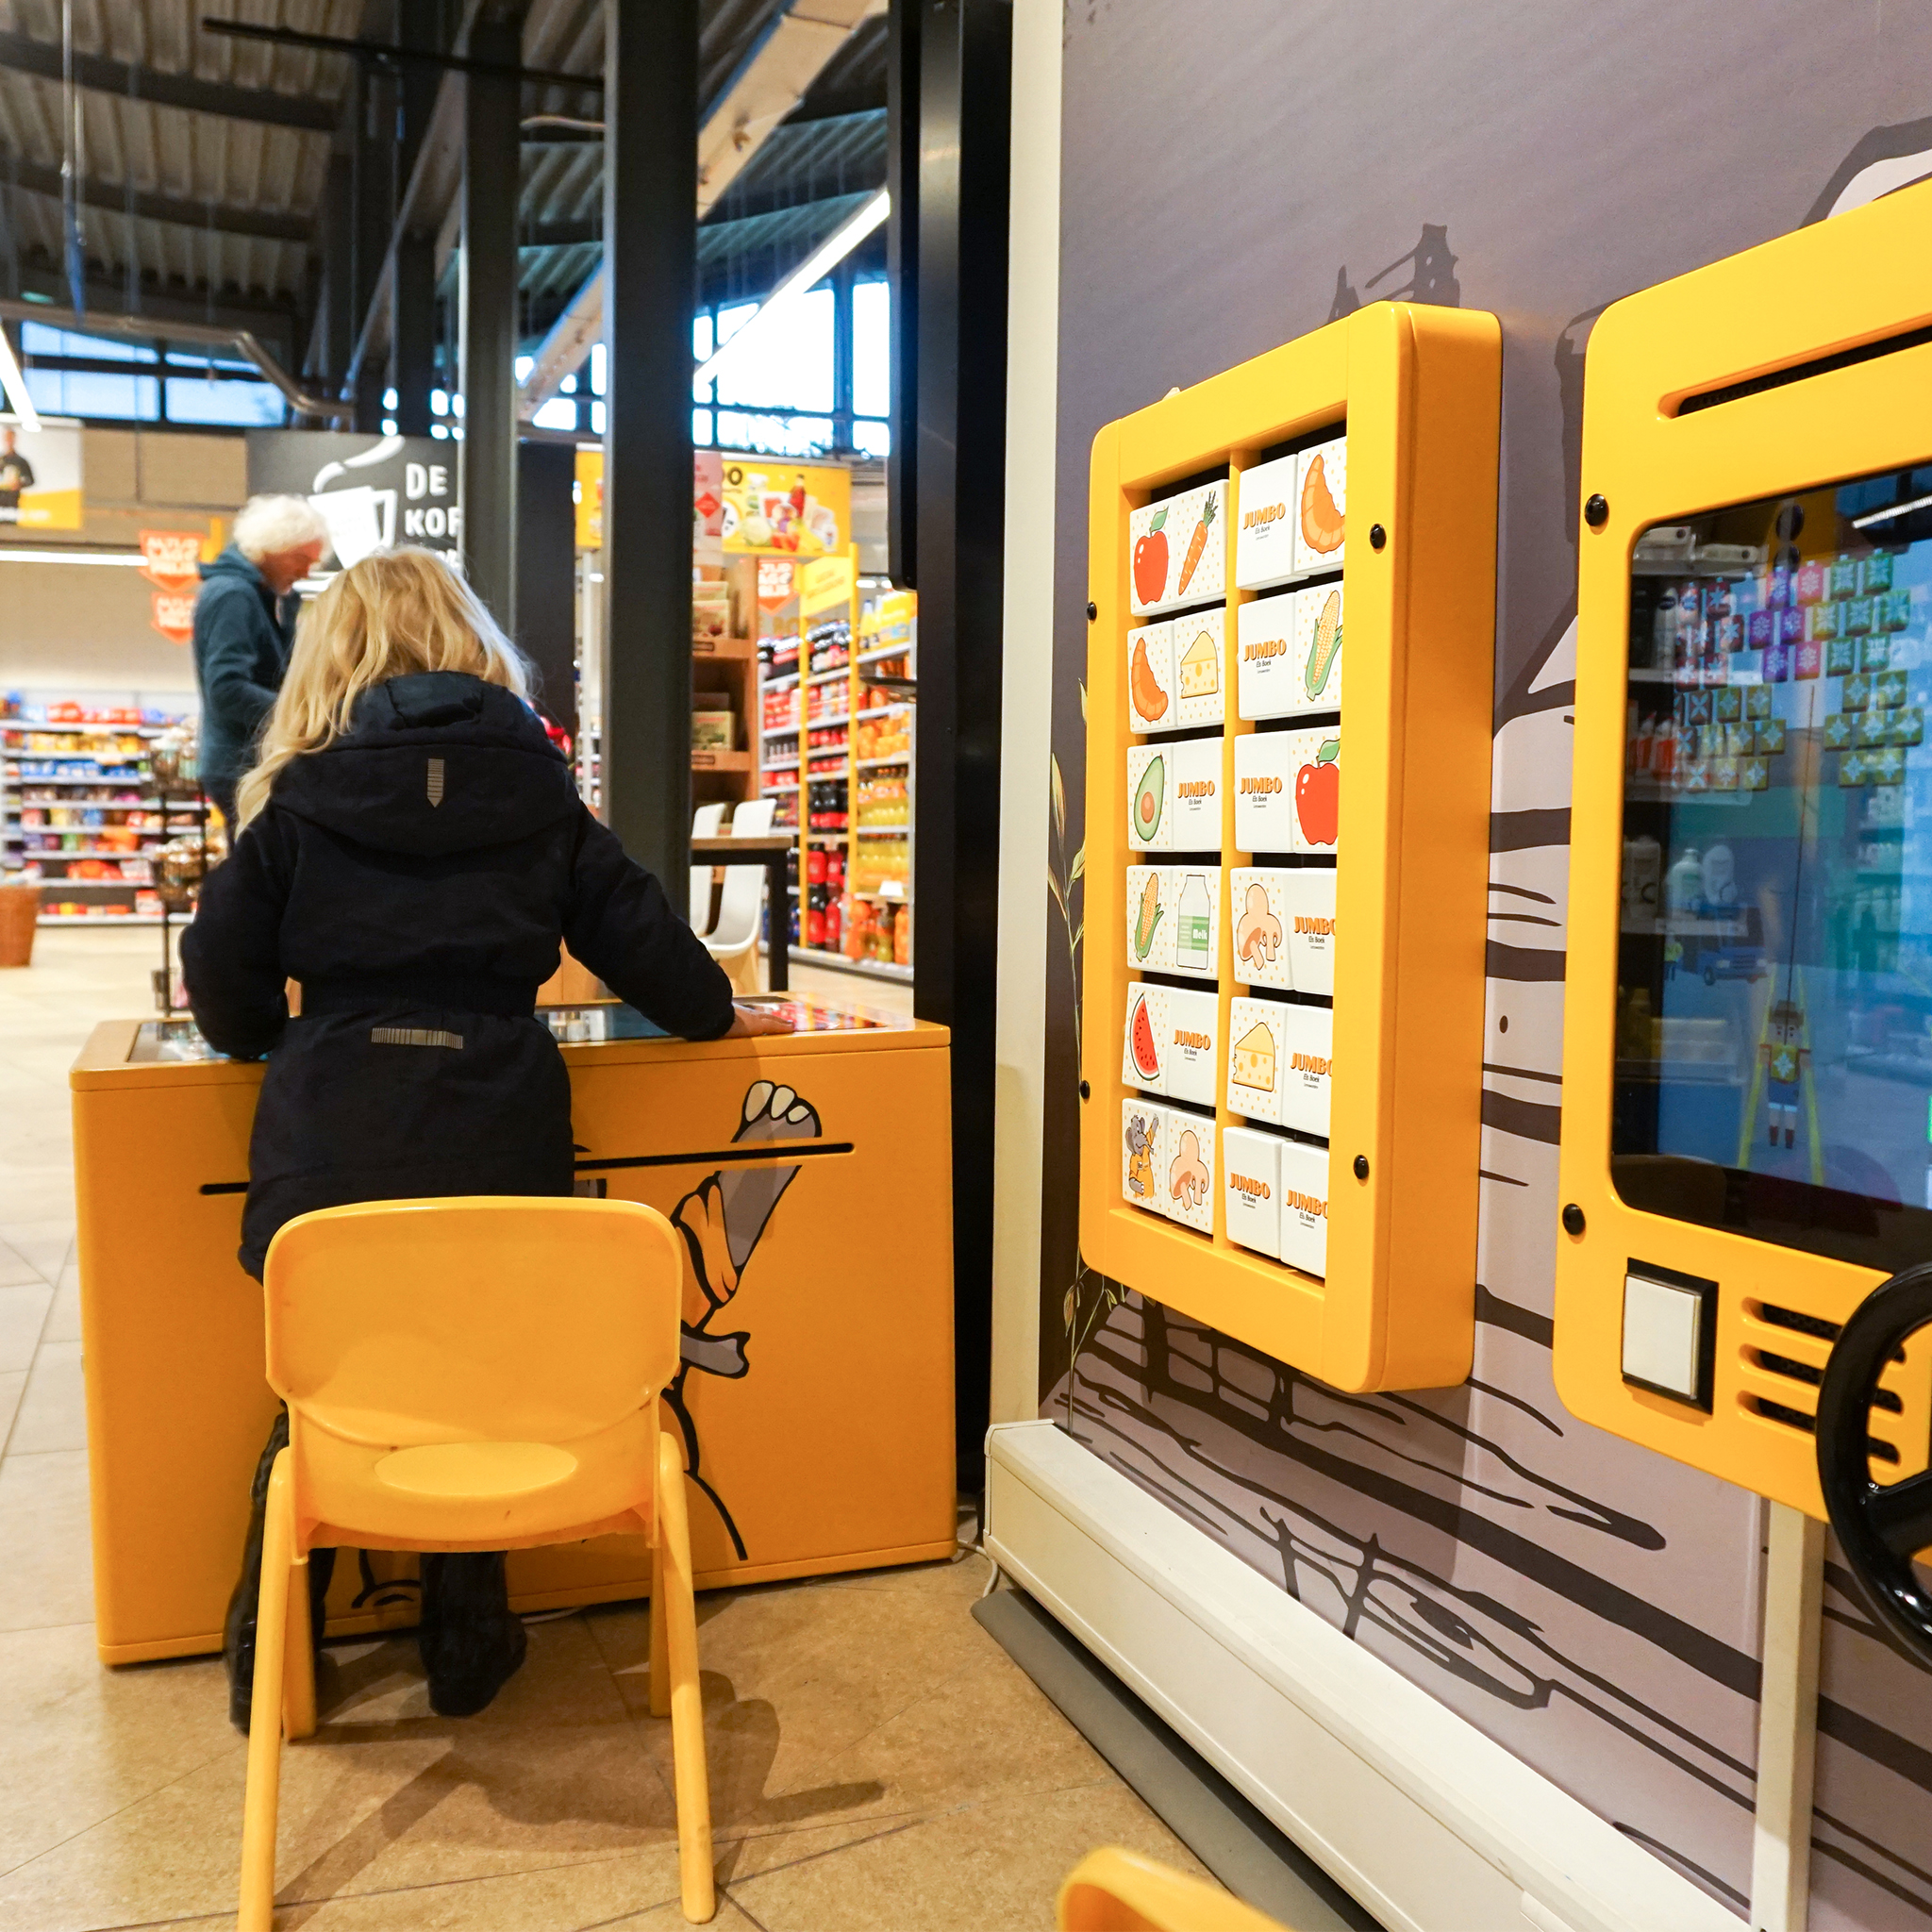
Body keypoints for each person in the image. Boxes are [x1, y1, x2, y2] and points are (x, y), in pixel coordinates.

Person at [182, 545, 791, 1729]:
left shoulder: (297, 801)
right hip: (503, 1150)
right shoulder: (539, 793)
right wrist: (726, 1009)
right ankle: (467, 1640)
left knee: (321, 1392)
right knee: (483, 1378)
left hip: (327, 1158)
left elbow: (224, 991)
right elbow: (676, 978)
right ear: (473, 646)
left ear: (329, 657)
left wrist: (278, 1026)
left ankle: (270, 1656)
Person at [192, 495, 328, 824]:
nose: (306, 571)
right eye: (300, 558)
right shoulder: (234, 596)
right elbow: (227, 689)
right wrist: (301, 716)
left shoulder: (263, 595)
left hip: (244, 760)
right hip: (241, 764)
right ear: (273, 547)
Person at [0, 427, 34, 517]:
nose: (9, 440)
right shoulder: (1, 460)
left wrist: (20, 483)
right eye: (7, 438)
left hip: (13, 501)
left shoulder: (21, 461)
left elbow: (31, 480)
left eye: (11, 438)